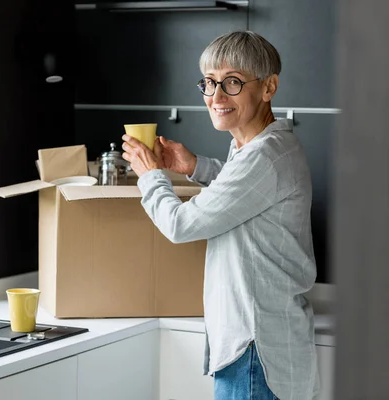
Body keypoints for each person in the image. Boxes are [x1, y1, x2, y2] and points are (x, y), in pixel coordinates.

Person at [121, 31, 319, 400]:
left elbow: (181, 225)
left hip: (255, 352)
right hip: (261, 345)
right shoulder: (259, 147)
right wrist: (195, 166)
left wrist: (150, 176)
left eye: (232, 82)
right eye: (209, 83)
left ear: (268, 87)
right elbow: (249, 194)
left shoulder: (264, 156)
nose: (215, 97)